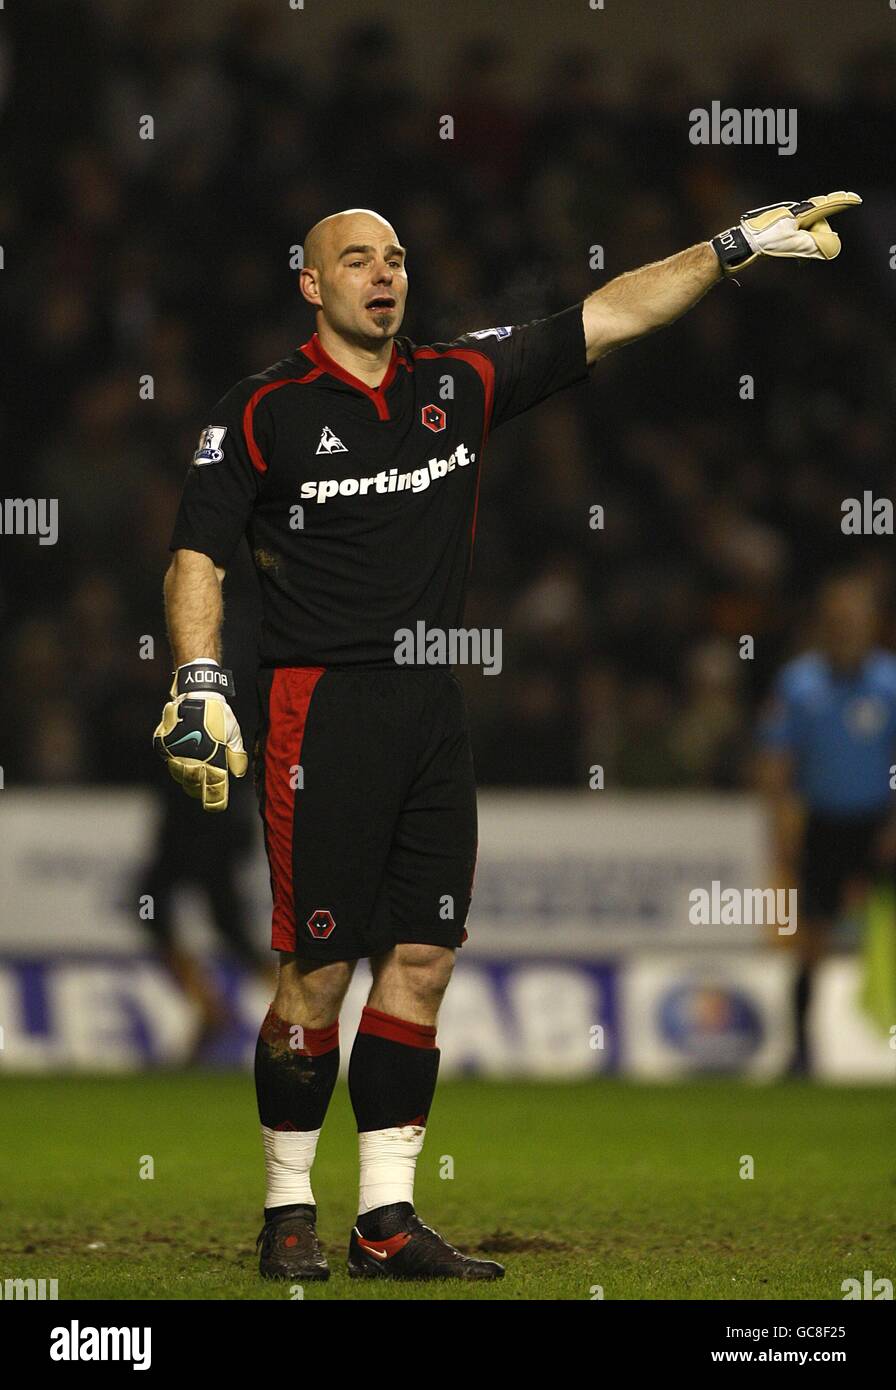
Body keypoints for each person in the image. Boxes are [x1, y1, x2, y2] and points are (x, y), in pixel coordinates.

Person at [154, 195, 860, 1281]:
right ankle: (286, 1207)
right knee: (316, 970)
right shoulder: (261, 411)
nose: (383, 274)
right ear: (311, 286)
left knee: (424, 961)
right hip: (316, 707)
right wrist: (200, 676)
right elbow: (195, 555)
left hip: (431, 710)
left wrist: (729, 248)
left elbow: (609, 316)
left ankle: (383, 1220)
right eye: (355, 260)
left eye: (394, 257)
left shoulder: (456, 382)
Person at [756, 574, 896, 1073]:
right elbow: (776, 762)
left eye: (854, 620)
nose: (845, 629)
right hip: (823, 823)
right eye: (836, 620)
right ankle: (799, 1050)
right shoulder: (800, 684)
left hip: (880, 823)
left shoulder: (889, 682)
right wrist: (781, 828)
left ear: (871, 625)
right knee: (810, 941)